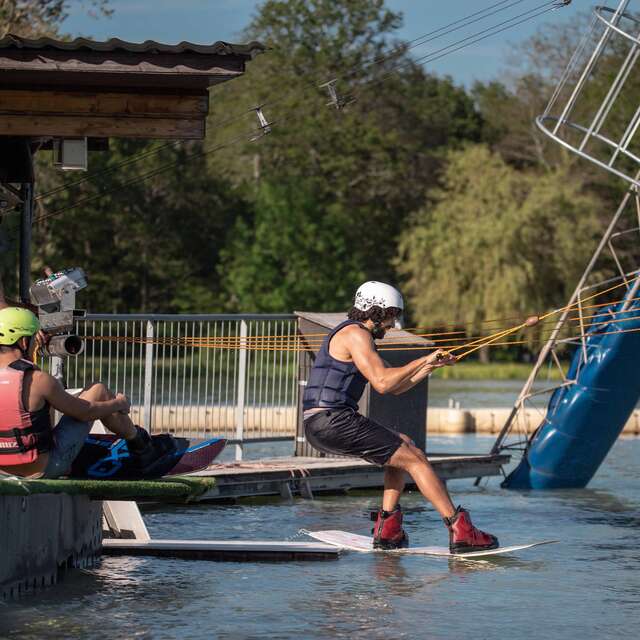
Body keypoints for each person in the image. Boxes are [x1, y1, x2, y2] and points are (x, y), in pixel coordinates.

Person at [303, 281, 498, 553]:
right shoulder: (356, 334)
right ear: (377, 311)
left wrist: (430, 365)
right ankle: (461, 530)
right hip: (333, 420)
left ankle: (388, 530)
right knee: (416, 458)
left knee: (403, 445)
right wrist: (421, 359)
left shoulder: (356, 336)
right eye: (392, 316)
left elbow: (396, 387)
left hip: (323, 423)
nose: (393, 325)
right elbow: (382, 382)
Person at [0, 306, 154, 479]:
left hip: (3, 472)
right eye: (35, 340)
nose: (37, 345)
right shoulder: (38, 380)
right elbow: (85, 412)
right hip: (43, 470)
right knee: (98, 391)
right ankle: (141, 446)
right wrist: (120, 403)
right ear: (23, 342)